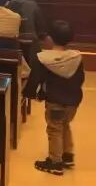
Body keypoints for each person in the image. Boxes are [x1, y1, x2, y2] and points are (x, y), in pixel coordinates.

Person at [24, 20, 85, 176]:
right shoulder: (76, 57)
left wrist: (29, 94)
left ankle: (55, 161)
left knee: (54, 129)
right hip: (73, 101)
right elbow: (81, 79)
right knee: (65, 125)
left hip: (55, 101)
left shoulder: (43, 58)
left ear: (50, 38)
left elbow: (35, 79)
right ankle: (68, 155)